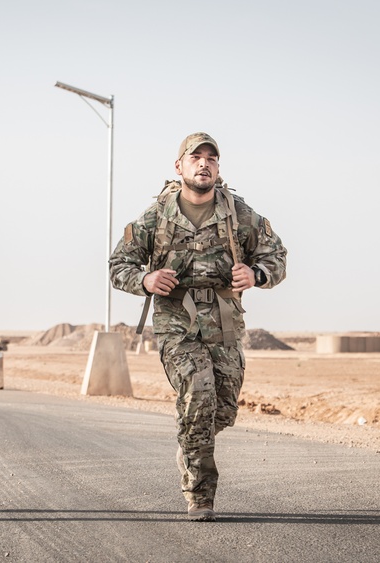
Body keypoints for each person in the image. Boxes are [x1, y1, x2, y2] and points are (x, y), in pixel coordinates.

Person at [109, 132, 287, 521]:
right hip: (177, 322)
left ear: (218, 168)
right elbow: (118, 264)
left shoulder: (239, 215)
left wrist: (256, 274)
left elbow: (276, 256)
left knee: (222, 410)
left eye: (211, 158)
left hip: (225, 322)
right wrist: (145, 280)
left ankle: (190, 442)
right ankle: (200, 495)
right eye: (196, 157)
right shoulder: (156, 217)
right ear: (180, 166)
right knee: (198, 394)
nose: (204, 163)